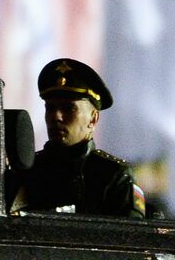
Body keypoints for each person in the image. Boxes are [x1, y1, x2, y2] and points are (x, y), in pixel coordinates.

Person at [22, 58, 145, 217]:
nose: (56, 116)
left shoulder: (113, 176)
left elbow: (128, 237)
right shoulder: (27, 171)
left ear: (93, 119)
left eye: (69, 109)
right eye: (50, 108)